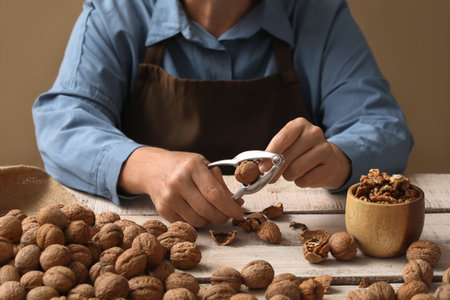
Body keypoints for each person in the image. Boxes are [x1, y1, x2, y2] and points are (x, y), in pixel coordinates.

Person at [32, 0, 413, 227]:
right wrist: (141, 166)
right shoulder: (120, 10)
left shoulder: (317, 12)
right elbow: (63, 118)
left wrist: (339, 157)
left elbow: (382, 125)